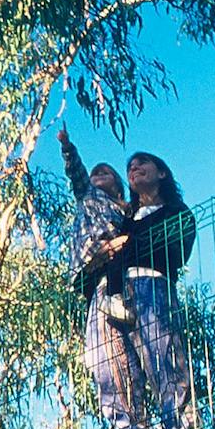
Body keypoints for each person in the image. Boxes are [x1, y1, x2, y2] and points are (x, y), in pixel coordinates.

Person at [82, 152, 197, 429]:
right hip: (106, 297)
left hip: (150, 287)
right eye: (130, 166)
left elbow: (173, 253)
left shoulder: (176, 212)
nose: (134, 168)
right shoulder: (120, 220)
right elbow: (91, 264)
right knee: (111, 375)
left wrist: (124, 248)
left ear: (162, 172)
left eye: (142, 163)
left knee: (164, 363)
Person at [58, 130, 135, 325]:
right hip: (91, 255)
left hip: (116, 262)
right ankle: (111, 302)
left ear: (118, 185)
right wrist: (67, 147)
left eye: (105, 173)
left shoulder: (124, 209)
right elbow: (77, 173)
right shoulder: (88, 194)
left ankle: (115, 303)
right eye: (95, 174)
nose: (98, 175)